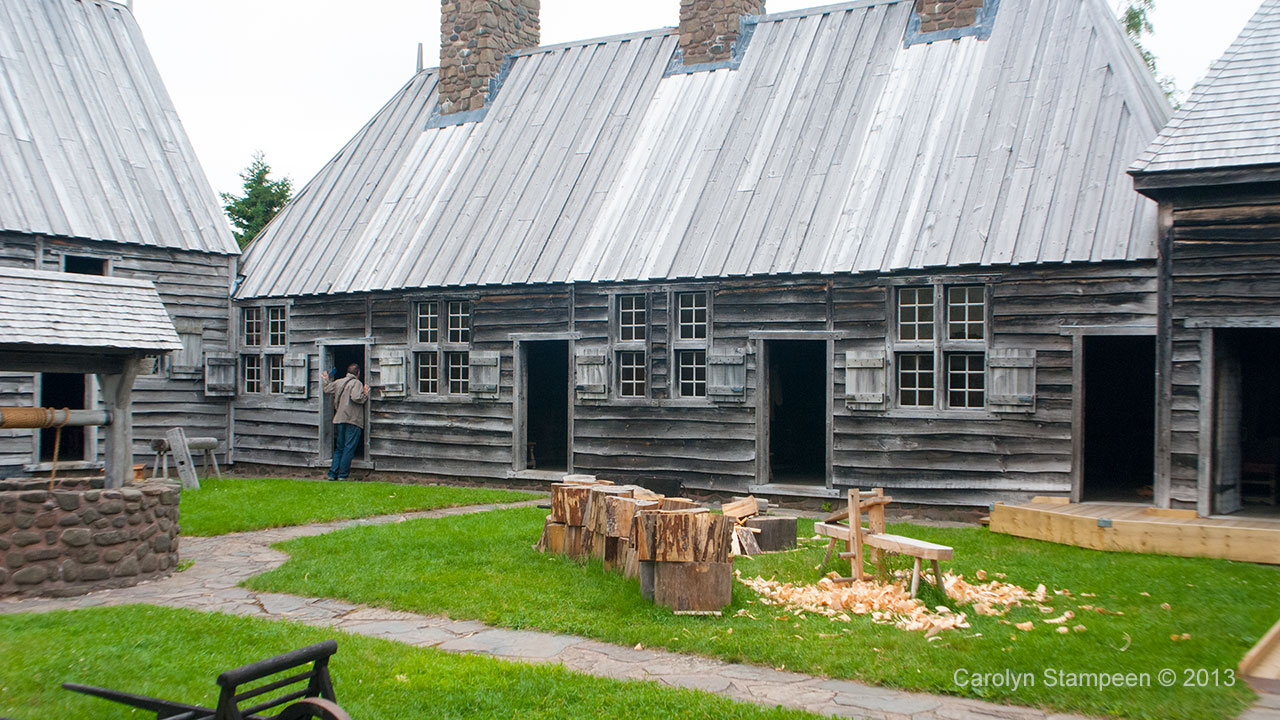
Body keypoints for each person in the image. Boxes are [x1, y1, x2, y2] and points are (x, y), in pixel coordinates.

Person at [321, 363, 369, 481]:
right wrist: (365, 395)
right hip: (352, 419)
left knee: (340, 447)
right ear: (358, 373)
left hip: (339, 419)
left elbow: (326, 389)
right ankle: (342, 475)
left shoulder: (339, 382)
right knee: (349, 448)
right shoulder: (357, 383)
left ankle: (332, 473)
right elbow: (356, 397)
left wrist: (326, 380)